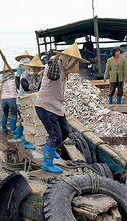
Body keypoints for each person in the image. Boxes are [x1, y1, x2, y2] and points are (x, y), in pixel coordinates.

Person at [35, 42, 88, 173]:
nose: (75, 65)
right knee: (55, 135)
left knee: (64, 131)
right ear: (68, 59)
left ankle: (51, 150)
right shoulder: (55, 66)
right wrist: (52, 60)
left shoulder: (64, 69)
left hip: (56, 107)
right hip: (46, 106)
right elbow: (52, 74)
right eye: (74, 62)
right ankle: (47, 162)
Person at [15, 54, 44, 149]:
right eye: (36, 68)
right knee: (25, 121)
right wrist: (28, 86)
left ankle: (20, 137)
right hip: (23, 102)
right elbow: (23, 84)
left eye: (39, 68)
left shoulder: (39, 77)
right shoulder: (25, 74)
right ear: (32, 67)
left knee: (24, 120)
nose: (37, 70)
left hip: (31, 103)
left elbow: (39, 88)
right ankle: (23, 140)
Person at [0, 64, 17, 134]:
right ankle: (13, 130)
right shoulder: (14, 78)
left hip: (4, 99)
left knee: (5, 113)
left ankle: (4, 128)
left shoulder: (3, 80)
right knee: (13, 114)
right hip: (12, 98)